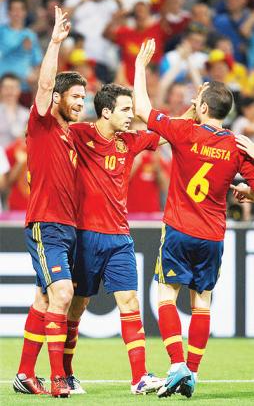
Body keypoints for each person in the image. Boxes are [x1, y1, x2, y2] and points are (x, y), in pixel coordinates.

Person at [134, 39, 254, 398]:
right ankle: (193, 373)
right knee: (202, 301)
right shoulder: (237, 144)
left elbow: (142, 109)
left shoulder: (184, 132)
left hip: (179, 229)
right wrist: (248, 192)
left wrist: (141, 66)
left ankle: (176, 365)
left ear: (201, 107)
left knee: (165, 294)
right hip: (213, 235)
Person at [64, 83, 166, 395]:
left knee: (129, 301)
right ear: (106, 112)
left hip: (120, 237)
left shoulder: (130, 142)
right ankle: (65, 373)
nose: (131, 114)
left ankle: (140, 377)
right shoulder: (79, 134)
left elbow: (167, 133)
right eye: (125, 109)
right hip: (85, 237)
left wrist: (195, 112)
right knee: (77, 306)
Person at [13, 6, 86, 398]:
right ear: (58, 98)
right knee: (63, 294)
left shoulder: (70, 136)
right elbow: (44, 88)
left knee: (45, 296)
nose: (81, 103)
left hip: (67, 226)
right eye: (75, 97)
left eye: (84, 97)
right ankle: (59, 378)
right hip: (45, 222)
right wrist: (55, 42)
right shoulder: (41, 123)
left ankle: (26, 373)